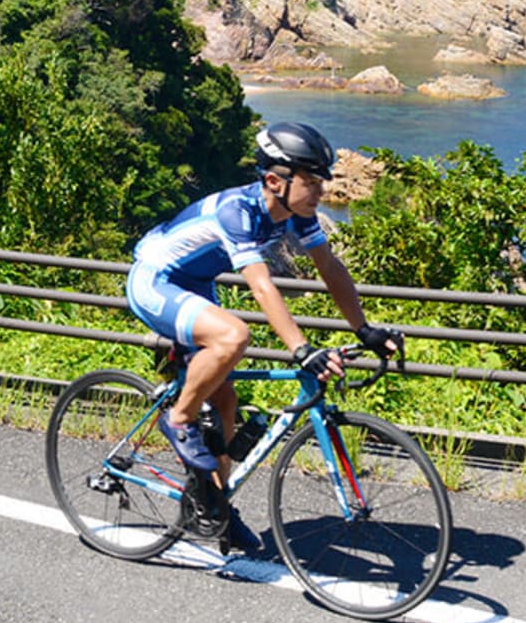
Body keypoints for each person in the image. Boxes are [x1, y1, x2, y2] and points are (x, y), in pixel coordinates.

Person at [124, 121, 400, 550]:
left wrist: (363, 328)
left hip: (195, 285)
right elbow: (261, 286)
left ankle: (214, 507)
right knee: (234, 336)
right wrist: (301, 349)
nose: (322, 190)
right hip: (155, 281)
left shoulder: (297, 215)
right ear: (275, 181)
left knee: (225, 400)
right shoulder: (237, 211)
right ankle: (178, 419)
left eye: (322, 180)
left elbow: (330, 268)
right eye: (311, 181)